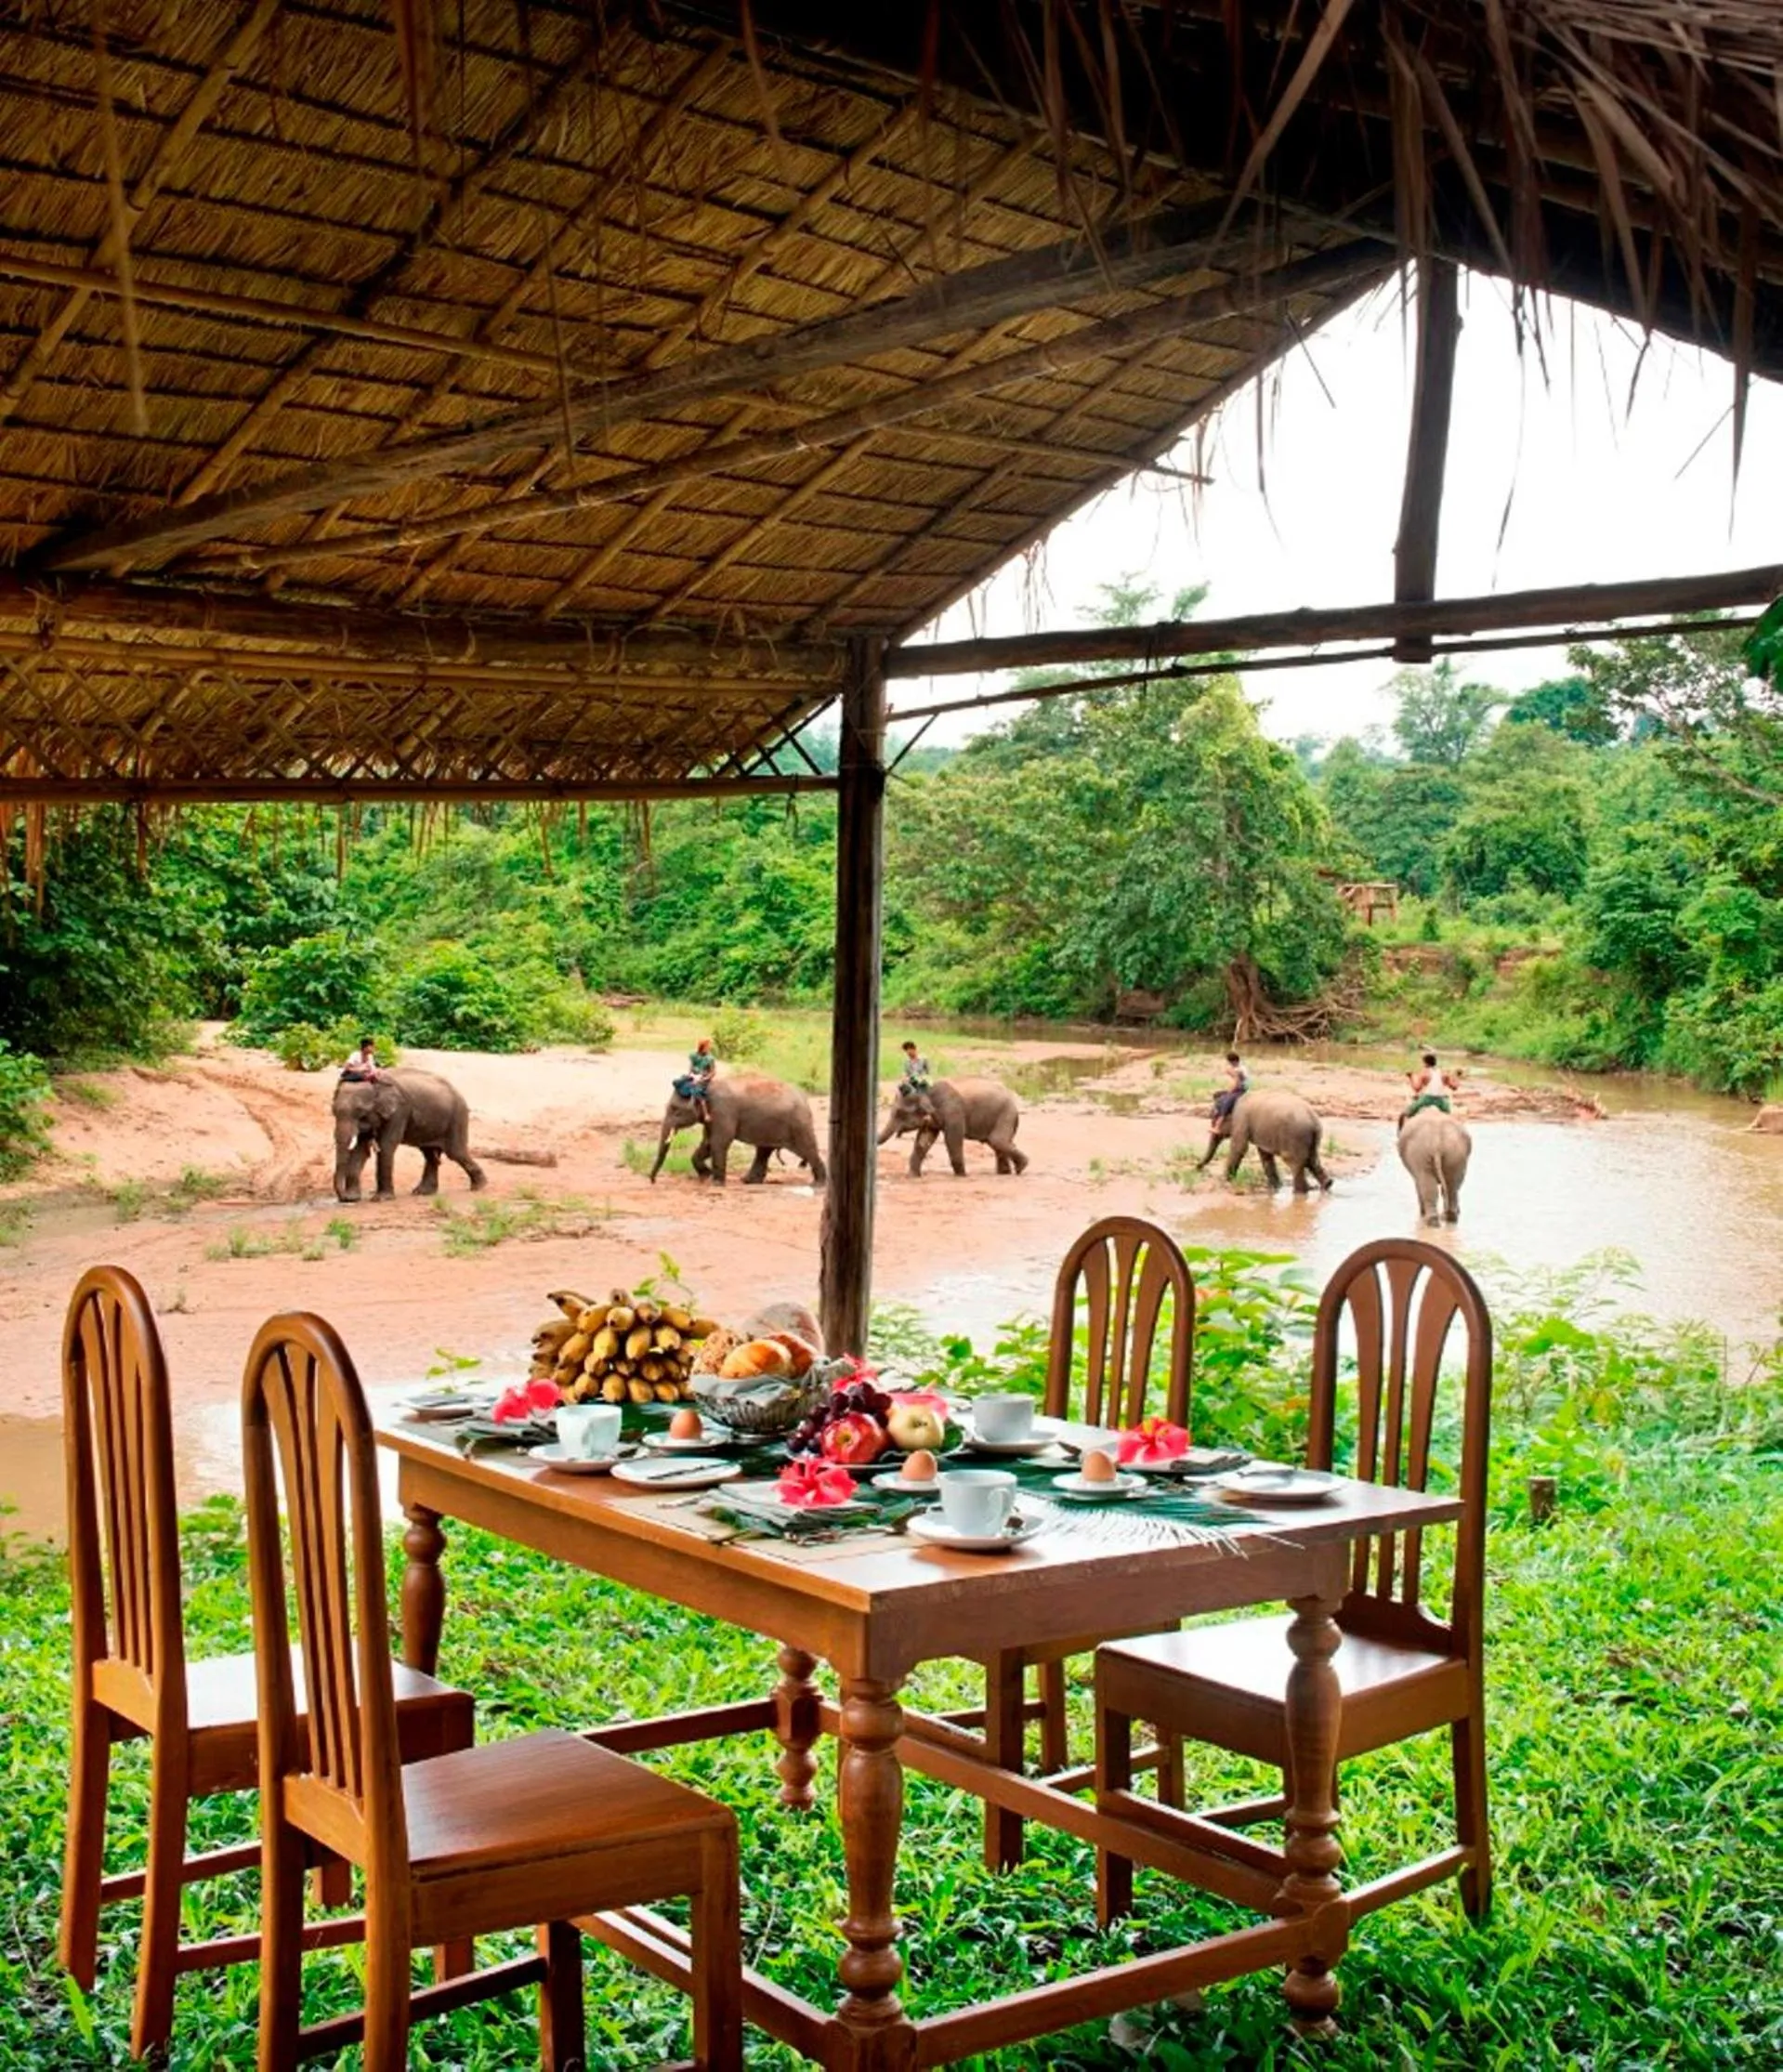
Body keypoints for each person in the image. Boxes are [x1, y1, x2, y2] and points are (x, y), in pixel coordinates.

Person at [1404, 1050, 1462, 1121]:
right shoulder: (1444, 1073)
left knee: (1408, 1113)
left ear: (1425, 1063)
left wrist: (1411, 1077)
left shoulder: (1424, 1073)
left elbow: (1416, 1088)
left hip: (1427, 1099)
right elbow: (1454, 1087)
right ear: (1435, 1062)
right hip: (1441, 1100)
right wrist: (1458, 1077)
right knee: (1449, 1116)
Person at [675, 1037, 716, 1125]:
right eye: (707, 1046)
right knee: (678, 1082)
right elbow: (690, 1069)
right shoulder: (694, 1056)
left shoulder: (710, 1058)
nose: (709, 1048)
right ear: (702, 1047)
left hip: (704, 1078)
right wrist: (692, 1076)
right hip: (694, 1075)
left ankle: (706, 1114)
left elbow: (712, 1073)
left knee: (698, 1091)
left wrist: (703, 1078)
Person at [1211, 1048, 1248, 1128]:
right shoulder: (1235, 1068)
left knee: (1226, 1101)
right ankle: (1217, 1113)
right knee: (1217, 1095)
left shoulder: (1241, 1069)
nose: (1230, 1064)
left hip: (1240, 1090)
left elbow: (1237, 1083)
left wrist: (1232, 1074)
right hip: (1235, 1089)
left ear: (1234, 1061)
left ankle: (1220, 1121)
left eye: (1230, 1063)